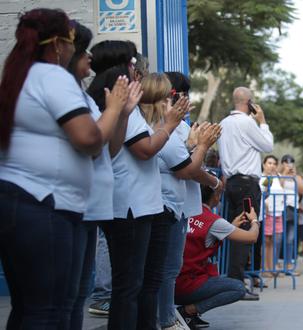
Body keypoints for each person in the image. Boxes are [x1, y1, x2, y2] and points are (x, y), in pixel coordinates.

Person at [0, 9, 103, 329]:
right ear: (59, 45)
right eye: (74, 44)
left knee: (30, 308)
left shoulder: (19, 76)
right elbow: (88, 138)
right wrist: (114, 111)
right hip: (44, 204)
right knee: (49, 311)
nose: (76, 52)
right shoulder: (52, 76)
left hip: (21, 202)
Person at [87, 40, 186, 330]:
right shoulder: (117, 106)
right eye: (133, 66)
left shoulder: (126, 109)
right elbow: (144, 150)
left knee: (145, 283)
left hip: (142, 205)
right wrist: (169, 124)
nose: (138, 73)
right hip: (127, 205)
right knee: (129, 286)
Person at [65, 22, 139, 329]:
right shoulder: (65, 90)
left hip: (92, 205)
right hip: (73, 205)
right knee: (63, 296)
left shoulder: (83, 96)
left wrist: (120, 112)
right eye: (83, 52)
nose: (88, 61)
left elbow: (111, 149)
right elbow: (93, 144)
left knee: (77, 292)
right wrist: (115, 111)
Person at [138, 73, 222, 330]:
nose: (175, 102)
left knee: (163, 270)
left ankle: (164, 317)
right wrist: (202, 146)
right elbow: (186, 169)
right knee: (164, 270)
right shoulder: (160, 128)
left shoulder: (161, 127)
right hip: (163, 206)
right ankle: (164, 319)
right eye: (171, 96)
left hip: (170, 205)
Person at [175, 181, 260, 329]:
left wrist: (231, 225)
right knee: (238, 288)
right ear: (216, 196)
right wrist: (254, 220)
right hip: (188, 284)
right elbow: (251, 237)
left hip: (168, 284)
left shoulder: (181, 211)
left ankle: (188, 315)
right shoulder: (213, 221)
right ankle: (187, 312)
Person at [217, 87, 273, 299]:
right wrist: (263, 121)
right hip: (247, 184)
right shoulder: (247, 122)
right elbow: (267, 145)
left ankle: (233, 280)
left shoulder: (224, 123)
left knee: (234, 229)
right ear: (249, 102)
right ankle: (237, 285)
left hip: (231, 182)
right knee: (245, 230)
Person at [280, 154, 303, 274]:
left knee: (290, 239)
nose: (289, 165)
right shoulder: (279, 176)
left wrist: (295, 176)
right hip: (282, 208)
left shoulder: (296, 176)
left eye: (290, 162)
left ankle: (289, 264)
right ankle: (276, 264)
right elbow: (279, 186)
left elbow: (302, 190)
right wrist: (285, 173)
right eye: (286, 162)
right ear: (282, 163)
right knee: (279, 238)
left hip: (293, 208)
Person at [260, 155, 285, 276]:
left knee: (274, 241)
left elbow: (282, 188)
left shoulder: (278, 176)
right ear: (264, 164)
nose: (272, 166)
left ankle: (271, 267)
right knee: (266, 241)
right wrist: (270, 177)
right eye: (269, 163)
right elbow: (264, 190)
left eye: (274, 163)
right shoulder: (262, 177)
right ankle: (265, 268)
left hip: (278, 212)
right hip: (267, 213)